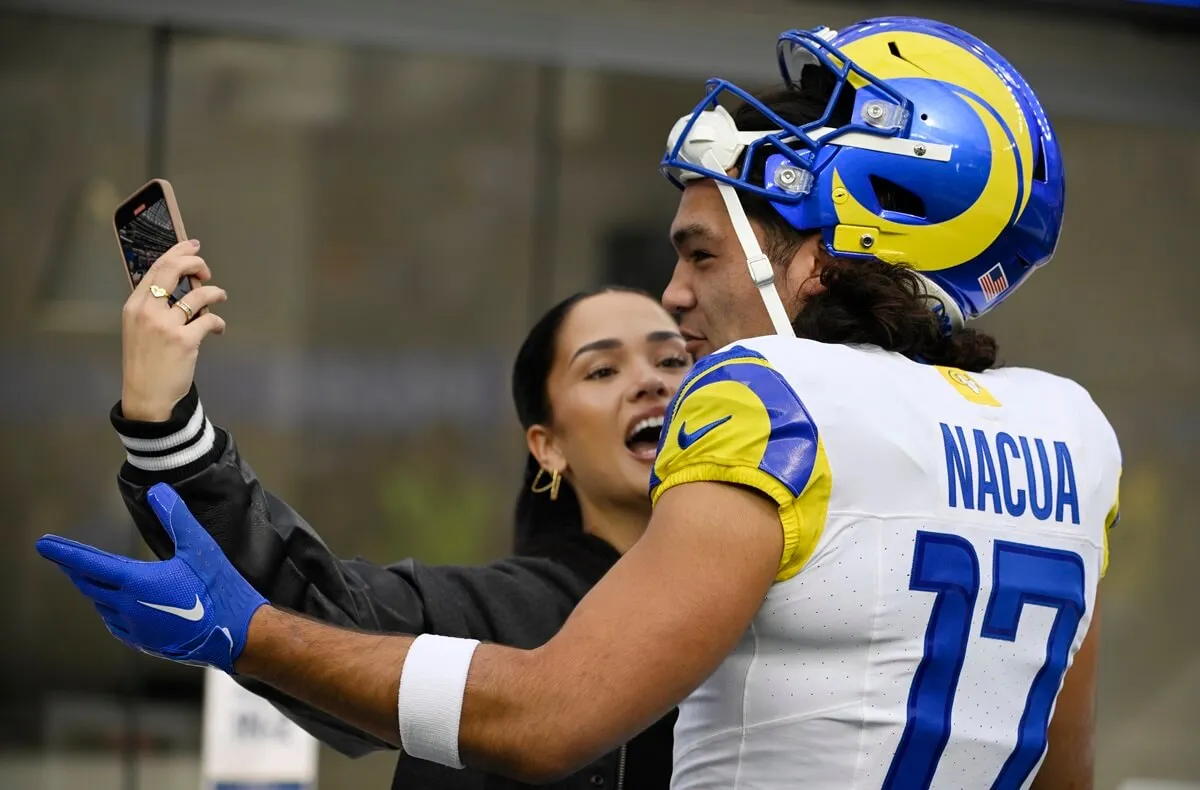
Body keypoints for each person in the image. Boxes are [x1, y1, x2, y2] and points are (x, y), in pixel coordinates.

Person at [39, 16, 1120, 790]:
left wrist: (250, 635)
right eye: (602, 367)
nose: (679, 308)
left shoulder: (778, 391)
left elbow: (550, 715)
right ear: (543, 443)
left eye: (701, 253)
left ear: (831, 256)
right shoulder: (1071, 433)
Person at [104, 271, 689, 789]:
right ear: (549, 447)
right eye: (604, 369)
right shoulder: (500, 618)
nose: (651, 382)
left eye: (671, 360)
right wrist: (167, 432)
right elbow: (318, 610)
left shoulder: (769, 596)